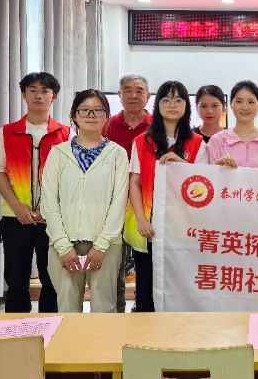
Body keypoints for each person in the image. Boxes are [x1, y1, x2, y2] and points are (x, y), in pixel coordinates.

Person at [0, 72, 69, 313]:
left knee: (52, 277)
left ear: (54, 96)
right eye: (32, 90)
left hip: (53, 219)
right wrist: (17, 206)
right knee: (16, 277)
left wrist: (50, 209)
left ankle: (51, 325)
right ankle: (16, 328)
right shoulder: (5, 133)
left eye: (44, 91)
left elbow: (70, 179)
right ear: (24, 95)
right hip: (15, 217)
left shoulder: (66, 134)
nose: (38, 96)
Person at [41, 90, 128, 313]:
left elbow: (119, 202)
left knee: (104, 308)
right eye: (84, 110)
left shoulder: (117, 154)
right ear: (74, 115)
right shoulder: (58, 153)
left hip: (106, 245)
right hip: (63, 243)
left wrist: (101, 245)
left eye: (98, 110)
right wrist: (62, 246)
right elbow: (49, 202)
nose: (91, 115)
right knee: (67, 309)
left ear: (106, 116)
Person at [125, 81, 206, 312]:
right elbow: (134, 182)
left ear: (186, 106)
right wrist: (141, 219)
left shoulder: (197, 142)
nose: (172, 105)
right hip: (149, 227)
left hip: (183, 228)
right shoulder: (142, 141)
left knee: (180, 287)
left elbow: (202, 184)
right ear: (157, 104)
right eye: (166, 100)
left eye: (178, 100)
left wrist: (180, 163)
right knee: (147, 288)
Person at [103, 74, 152, 313]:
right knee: (114, 265)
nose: (134, 95)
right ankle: (117, 312)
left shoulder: (158, 128)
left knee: (146, 264)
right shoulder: (106, 126)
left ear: (148, 96)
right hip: (112, 205)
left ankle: (142, 309)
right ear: (119, 95)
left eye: (139, 90)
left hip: (147, 208)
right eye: (128, 90)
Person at [207, 80, 258, 169]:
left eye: (251, 102)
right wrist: (218, 168)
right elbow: (209, 175)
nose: (245, 107)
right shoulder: (217, 141)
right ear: (230, 104)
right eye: (239, 101)